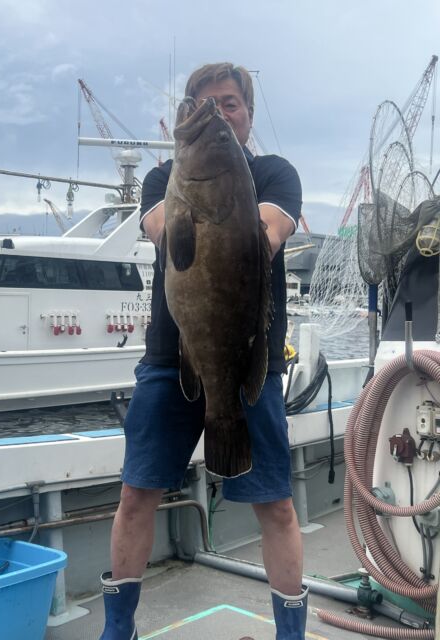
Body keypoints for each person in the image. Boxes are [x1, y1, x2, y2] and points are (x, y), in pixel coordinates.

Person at [99, 62, 308, 640]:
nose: (217, 112)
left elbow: (269, 233)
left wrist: (218, 206)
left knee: (277, 505)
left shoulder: (275, 174)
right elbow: (166, 233)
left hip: (247, 361)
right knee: (136, 494)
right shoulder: (160, 179)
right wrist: (198, 200)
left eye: (229, 103)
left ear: (248, 115)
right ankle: (118, 629)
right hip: (169, 360)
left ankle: (290, 634)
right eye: (202, 103)